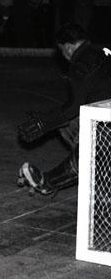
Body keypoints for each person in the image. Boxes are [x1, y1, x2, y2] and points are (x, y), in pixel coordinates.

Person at [18, 23, 111, 195]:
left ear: (68, 47)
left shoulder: (80, 64)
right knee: (68, 125)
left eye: (61, 50)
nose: (63, 55)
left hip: (107, 118)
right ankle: (101, 168)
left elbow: (74, 107)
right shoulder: (103, 51)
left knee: (90, 145)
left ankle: (48, 182)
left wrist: (43, 124)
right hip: (105, 110)